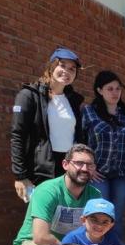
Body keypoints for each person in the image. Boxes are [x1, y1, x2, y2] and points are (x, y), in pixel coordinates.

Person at [11, 47, 85, 202]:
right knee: (41, 219)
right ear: (51, 66)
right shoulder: (29, 95)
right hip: (40, 170)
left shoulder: (74, 100)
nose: (67, 71)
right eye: (62, 65)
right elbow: (18, 135)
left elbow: (78, 135)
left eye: (72, 69)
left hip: (68, 167)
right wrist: (20, 175)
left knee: (64, 219)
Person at [81, 70, 125, 238]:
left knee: (115, 216)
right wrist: (88, 168)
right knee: (99, 213)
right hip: (98, 174)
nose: (115, 93)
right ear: (99, 90)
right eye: (110, 88)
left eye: (118, 88)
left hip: (124, 174)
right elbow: (80, 144)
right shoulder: (89, 112)